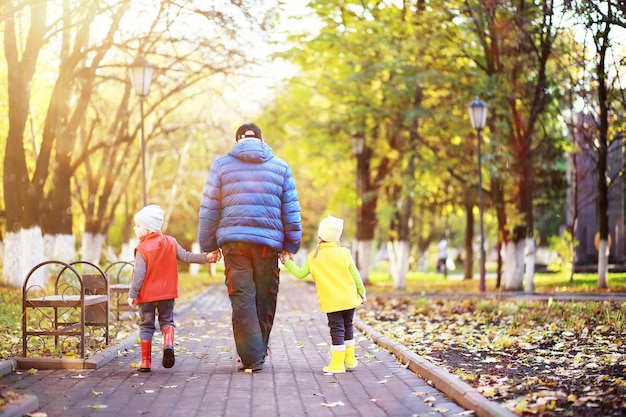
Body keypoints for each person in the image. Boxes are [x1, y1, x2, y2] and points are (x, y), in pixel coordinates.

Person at [198, 122, 302, 373]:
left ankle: (251, 357)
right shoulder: (281, 167)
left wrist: (208, 245)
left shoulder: (221, 166)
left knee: (242, 297)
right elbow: (291, 209)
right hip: (267, 246)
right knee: (266, 297)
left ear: (237, 142)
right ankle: (258, 350)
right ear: (261, 141)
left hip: (235, 244)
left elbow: (209, 207)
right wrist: (291, 244)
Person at [127, 204, 215, 372]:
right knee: (167, 321)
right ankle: (168, 342)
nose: (134, 228)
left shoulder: (142, 249)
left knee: (146, 326)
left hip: (146, 296)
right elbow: (187, 256)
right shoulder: (171, 242)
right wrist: (206, 258)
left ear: (149, 229)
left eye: (138, 226)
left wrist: (132, 294)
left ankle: (145, 362)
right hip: (167, 293)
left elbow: (138, 274)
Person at [282, 215, 366, 374]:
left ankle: (337, 364)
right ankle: (350, 360)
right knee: (348, 326)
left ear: (320, 236)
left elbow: (300, 274)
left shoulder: (313, 257)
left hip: (332, 302)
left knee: (337, 329)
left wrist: (287, 262)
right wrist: (362, 292)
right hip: (349, 298)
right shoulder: (344, 253)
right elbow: (356, 276)